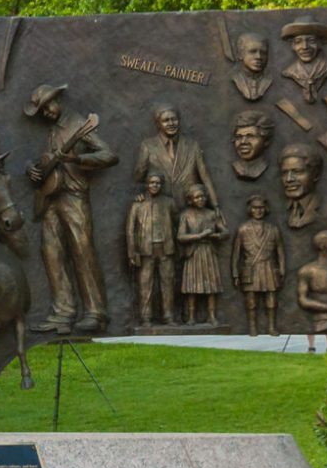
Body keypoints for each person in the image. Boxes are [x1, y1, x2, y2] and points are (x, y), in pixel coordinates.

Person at [19, 84, 114, 333]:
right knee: (51, 252)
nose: (46, 113)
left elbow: (109, 155)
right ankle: (63, 312)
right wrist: (33, 167)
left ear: (58, 100)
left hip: (73, 197)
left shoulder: (78, 125)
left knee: (82, 251)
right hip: (51, 198)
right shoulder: (52, 130)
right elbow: (46, 162)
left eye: (47, 106)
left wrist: (78, 159)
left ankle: (96, 311)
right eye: (41, 110)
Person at [133, 104, 218, 216]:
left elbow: (205, 176)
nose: (171, 124)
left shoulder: (193, 146)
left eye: (174, 119)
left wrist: (215, 206)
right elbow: (139, 177)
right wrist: (139, 194)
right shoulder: (148, 146)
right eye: (166, 120)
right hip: (161, 211)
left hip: (189, 209)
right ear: (158, 124)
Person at [124, 171, 178, 327]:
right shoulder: (137, 204)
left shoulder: (169, 202)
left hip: (165, 248)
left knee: (167, 283)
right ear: (146, 184)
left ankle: (168, 317)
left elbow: (176, 223)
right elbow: (130, 230)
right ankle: (146, 318)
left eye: (158, 183)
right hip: (145, 250)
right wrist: (132, 252)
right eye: (152, 182)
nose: (155, 185)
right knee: (145, 284)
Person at [232, 196, 287, 336]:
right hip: (251, 267)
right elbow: (236, 253)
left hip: (269, 267)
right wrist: (235, 273)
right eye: (255, 208)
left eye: (261, 207)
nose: (258, 211)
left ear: (265, 209)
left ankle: (271, 327)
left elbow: (280, 250)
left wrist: (282, 268)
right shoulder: (243, 229)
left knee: (271, 299)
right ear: (250, 209)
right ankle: (252, 327)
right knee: (251, 300)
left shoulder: (273, 229)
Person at [175, 183, 225, 327]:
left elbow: (225, 232)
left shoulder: (211, 214)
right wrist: (199, 236)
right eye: (197, 197)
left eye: (203, 196)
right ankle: (191, 317)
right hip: (193, 253)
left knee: (211, 286)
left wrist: (215, 236)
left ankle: (211, 316)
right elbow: (181, 236)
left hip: (208, 252)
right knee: (192, 286)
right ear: (191, 200)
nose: (201, 199)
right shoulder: (186, 215)